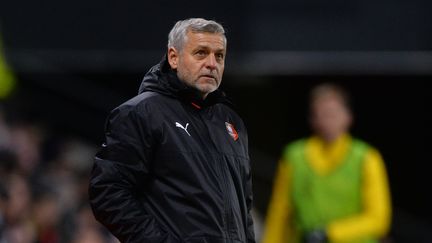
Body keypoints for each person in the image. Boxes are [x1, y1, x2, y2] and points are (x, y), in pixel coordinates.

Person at [89, 18, 255, 243]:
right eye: (201, 53)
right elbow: (108, 193)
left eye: (219, 56)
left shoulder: (231, 121)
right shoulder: (141, 113)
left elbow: (244, 211)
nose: (211, 63)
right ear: (173, 57)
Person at [262, 83, 391, 243]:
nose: (327, 121)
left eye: (333, 114)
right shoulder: (294, 156)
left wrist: (330, 232)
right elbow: (279, 213)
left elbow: (378, 219)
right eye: (321, 114)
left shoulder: (366, 157)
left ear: (348, 117)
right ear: (312, 119)